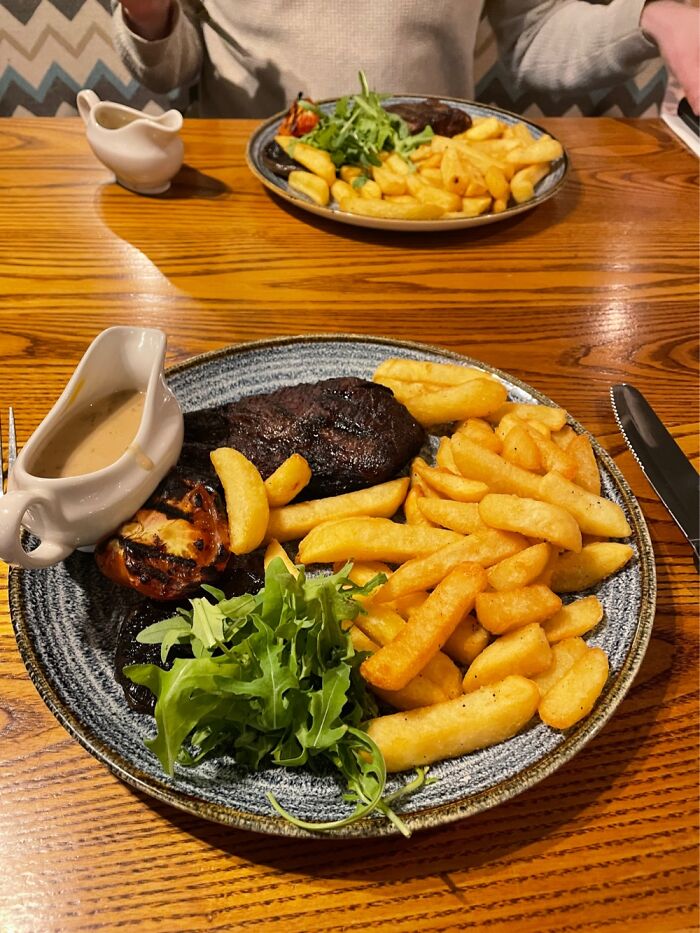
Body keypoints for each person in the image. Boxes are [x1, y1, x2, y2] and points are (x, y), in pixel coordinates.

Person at [112, 1, 700, 118]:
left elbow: (532, 35)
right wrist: (148, 15)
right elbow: (172, 69)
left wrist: (658, 19)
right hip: (248, 200)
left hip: (434, 205)